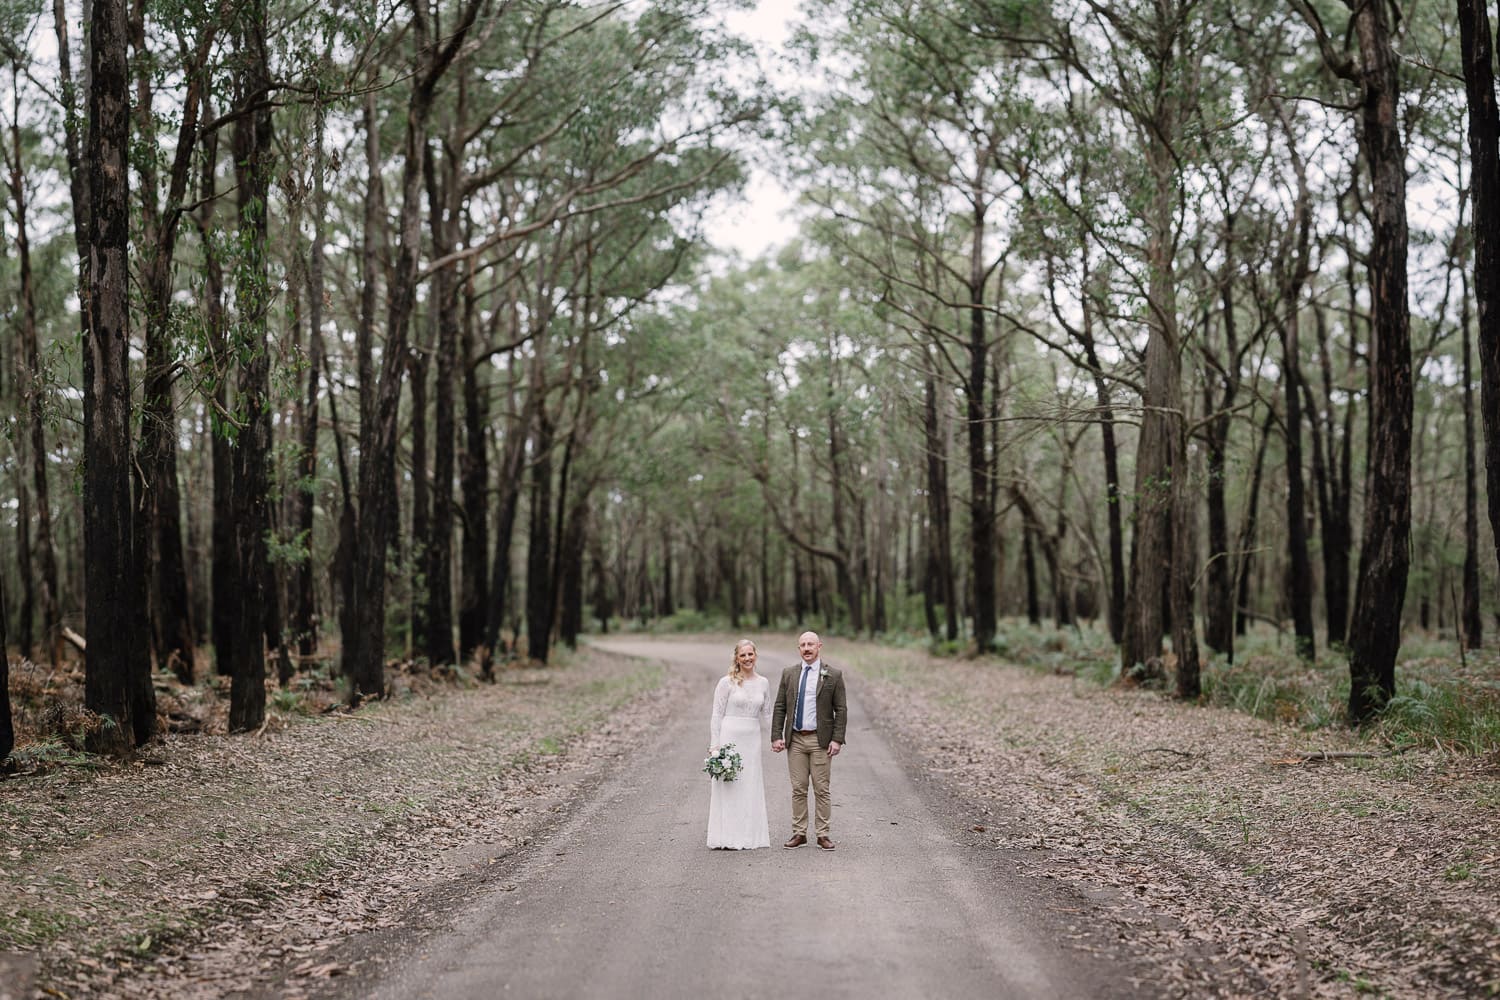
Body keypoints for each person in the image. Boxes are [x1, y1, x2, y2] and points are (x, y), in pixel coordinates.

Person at [771, 630, 847, 851]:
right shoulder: (789, 673)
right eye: (802, 645)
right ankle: (799, 832)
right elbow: (780, 706)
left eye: (810, 644)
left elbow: (840, 710)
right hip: (795, 740)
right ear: (799, 649)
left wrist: (837, 739)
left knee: (821, 788)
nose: (806, 648)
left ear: (819, 646)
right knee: (798, 788)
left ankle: (823, 834)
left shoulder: (833, 674)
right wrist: (777, 735)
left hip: (820, 740)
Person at [706, 639, 772, 850]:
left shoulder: (763, 683)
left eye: (750, 654)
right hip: (730, 736)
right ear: (737, 658)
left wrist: (778, 737)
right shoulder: (726, 682)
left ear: (756, 655)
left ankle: (749, 836)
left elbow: (768, 714)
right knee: (730, 784)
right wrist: (715, 744)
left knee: (750, 783)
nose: (747, 658)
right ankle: (726, 836)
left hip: (752, 738)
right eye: (742, 655)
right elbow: (716, 714)